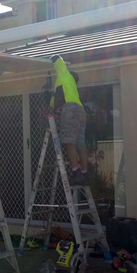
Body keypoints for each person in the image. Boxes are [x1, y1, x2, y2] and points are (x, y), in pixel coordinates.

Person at [48, 54, 90, 186]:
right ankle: (84, 172)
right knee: (80, 142)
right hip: (80, 111)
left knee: (69, 142)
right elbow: (54, 100)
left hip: (70, 110)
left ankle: (76, 172)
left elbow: (59, 63)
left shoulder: (65, 76)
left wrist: (53, 57)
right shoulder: (69, 88)